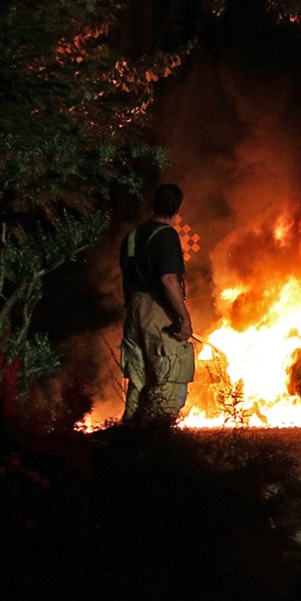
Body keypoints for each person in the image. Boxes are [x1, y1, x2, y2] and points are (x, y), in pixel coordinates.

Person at [118, 183, 195, 428]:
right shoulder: (165, 235)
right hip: (158, 311)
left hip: (135, 311)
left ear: (153, 203)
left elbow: (125, 281)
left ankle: (127, 442)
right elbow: (168, 280)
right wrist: (184, 319)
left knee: (138, 381)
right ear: (178, 207)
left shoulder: (132, 236)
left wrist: (133, 311)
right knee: (169, 380)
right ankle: (154, 442)